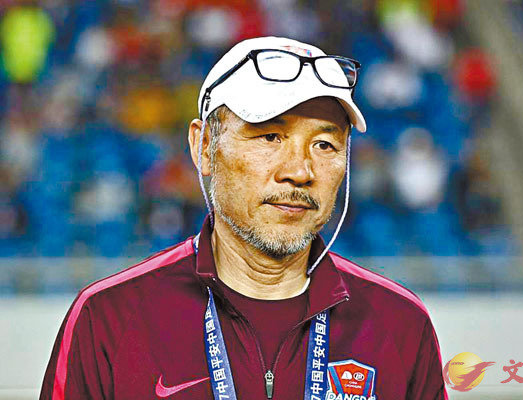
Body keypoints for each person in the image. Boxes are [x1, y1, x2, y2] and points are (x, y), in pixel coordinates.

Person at [41, 36, 447, 400]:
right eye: (270, 136)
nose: (299, 171)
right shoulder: (108, 318)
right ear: (203, 146)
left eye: (325, 144)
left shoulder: (401, 323)